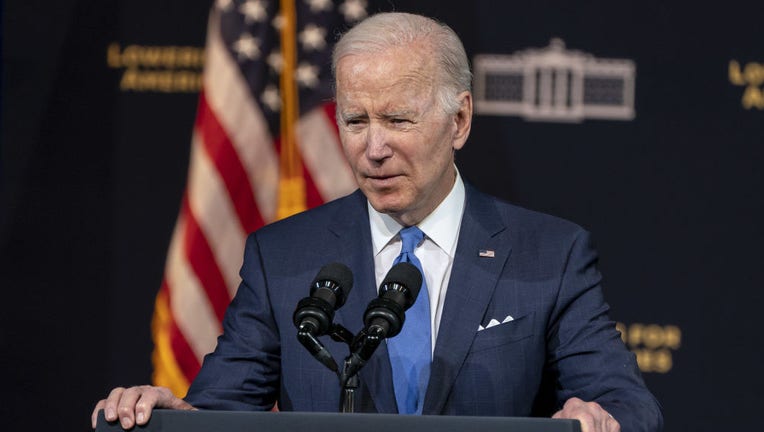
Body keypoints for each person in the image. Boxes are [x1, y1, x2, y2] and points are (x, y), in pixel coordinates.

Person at [92, 12, 662, 432]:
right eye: (355, 120)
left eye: (397, 119)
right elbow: (220, 411)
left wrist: (596, 416)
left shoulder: (549, 253)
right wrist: (173, 416)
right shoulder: (283, 255)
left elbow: (631, 407)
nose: (373, 149)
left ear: (459, 120)